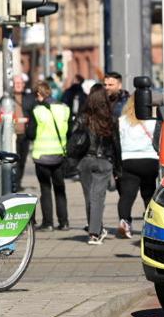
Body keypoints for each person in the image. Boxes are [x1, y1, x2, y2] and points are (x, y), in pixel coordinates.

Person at [67, 86, 121, 245]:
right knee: (97, 197)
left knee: (88, 197)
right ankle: (94, 233)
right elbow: (116, 144)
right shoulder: (110, 119)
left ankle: (94, 229)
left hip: (85, 161)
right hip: (104, 162)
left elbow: (73, 139)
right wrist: (118, 167)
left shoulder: (83, 118)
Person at [26, 81, 71, 230]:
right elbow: (69, 131)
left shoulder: (37, 111)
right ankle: (64, 222)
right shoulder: (64, 109)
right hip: (59, 154)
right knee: (60, 189)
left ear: (39, 94)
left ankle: (48, 223)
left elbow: (30, 133)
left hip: (42, 156)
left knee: (45, 189)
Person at [117, 95, 158, 239]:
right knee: (149, 194)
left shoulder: (121, 122)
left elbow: (117, 142)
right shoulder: (153, 122)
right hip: (150, 160)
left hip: (128, 160)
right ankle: (151, 226)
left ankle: (125, 223)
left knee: (127, 195)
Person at [10, 74, 36, 192]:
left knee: (22, 161)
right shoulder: (7, 99)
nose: (19, 86)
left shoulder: (29, 98)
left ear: (24, 85)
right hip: (11, 136)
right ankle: (11, 183)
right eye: (17, 83)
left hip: (24, 135)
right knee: (11, 162)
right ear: (13, 85)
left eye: (21, 84)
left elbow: (33, 115)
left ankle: (18, 183)